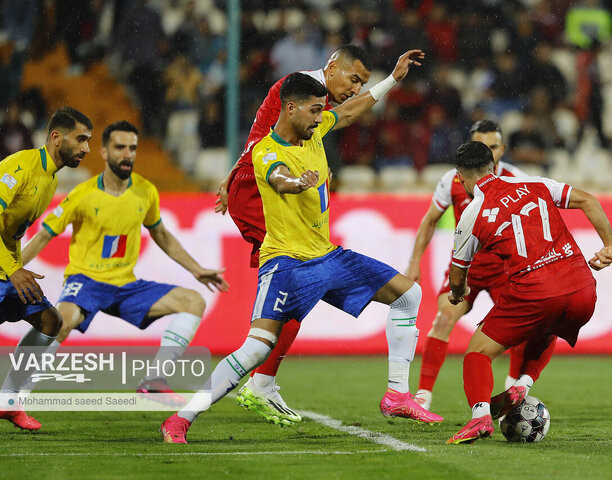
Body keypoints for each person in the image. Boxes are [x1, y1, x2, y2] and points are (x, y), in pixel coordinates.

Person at [161, 53, 442, 443]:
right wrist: (299, 182)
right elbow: (278, 179)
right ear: (290, 108)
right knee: (256, 348)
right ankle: (182, 418)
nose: (321, 117)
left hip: (328, 257)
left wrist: (392, 80)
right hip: (289, 265)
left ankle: (396, 394)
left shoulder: (317, 125)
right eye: (313, 111)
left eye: (320, 111)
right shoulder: (270, 152)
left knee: (409, 295)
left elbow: (347, 113)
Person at [214, 45, 373, 427]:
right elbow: (263, 143)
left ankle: (262, 376)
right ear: (332, 69)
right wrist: (237, 176)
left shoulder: (311, 99)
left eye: (362, 84)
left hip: (260, 185)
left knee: (300, 284)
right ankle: (260, 379)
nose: (355, 89)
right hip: (260, 190)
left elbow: (343, 116)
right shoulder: (297, 91)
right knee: (300, 278)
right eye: (354, 80)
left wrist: (393, 81)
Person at [19, 121, 228, 405]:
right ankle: (14, 397)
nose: (127, 154)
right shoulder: (83, 193)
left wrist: (196, 269)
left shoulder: (145, 192)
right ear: (104, 152)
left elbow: (161, 235)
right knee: (60, 322)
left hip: (125, 285)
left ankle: (154, 380)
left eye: (132, 148)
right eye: (120, 147)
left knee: (194, 302)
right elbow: (44, 235)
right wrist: (13, 269)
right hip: (86, 280)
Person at [444, 141, 612, 444]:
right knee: (548, 326)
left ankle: (479, 417)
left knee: (477, 354)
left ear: (460, 178)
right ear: (494, 167)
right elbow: (588, 200)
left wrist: (460, 292)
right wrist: (610, 245)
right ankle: (522, 384)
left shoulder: (473, 212)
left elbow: (458, 276)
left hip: (536, 291)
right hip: (583, 289)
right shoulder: (533, 182)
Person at [406, 120, 527, 412]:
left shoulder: (516, 179)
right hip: (466, 269)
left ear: (503, 149)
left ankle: (513, 388)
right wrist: (413, 263)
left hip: (504, 271)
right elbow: (430, 220)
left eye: (493, 146)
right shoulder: (453, 179)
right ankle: (423, 395)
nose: (487, 152)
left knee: (522, 329)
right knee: (444, 317)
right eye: (480, 145)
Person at [0, 106, 92, 430]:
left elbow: (9, 231)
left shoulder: (50, 181)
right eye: (81, 139)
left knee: (51, 321)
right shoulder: (19, 167)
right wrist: (12, 270)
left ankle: (8, 400)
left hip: (5, 268)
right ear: (56, 137)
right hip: (5, 269)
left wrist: (13, 268)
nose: (86, 148)